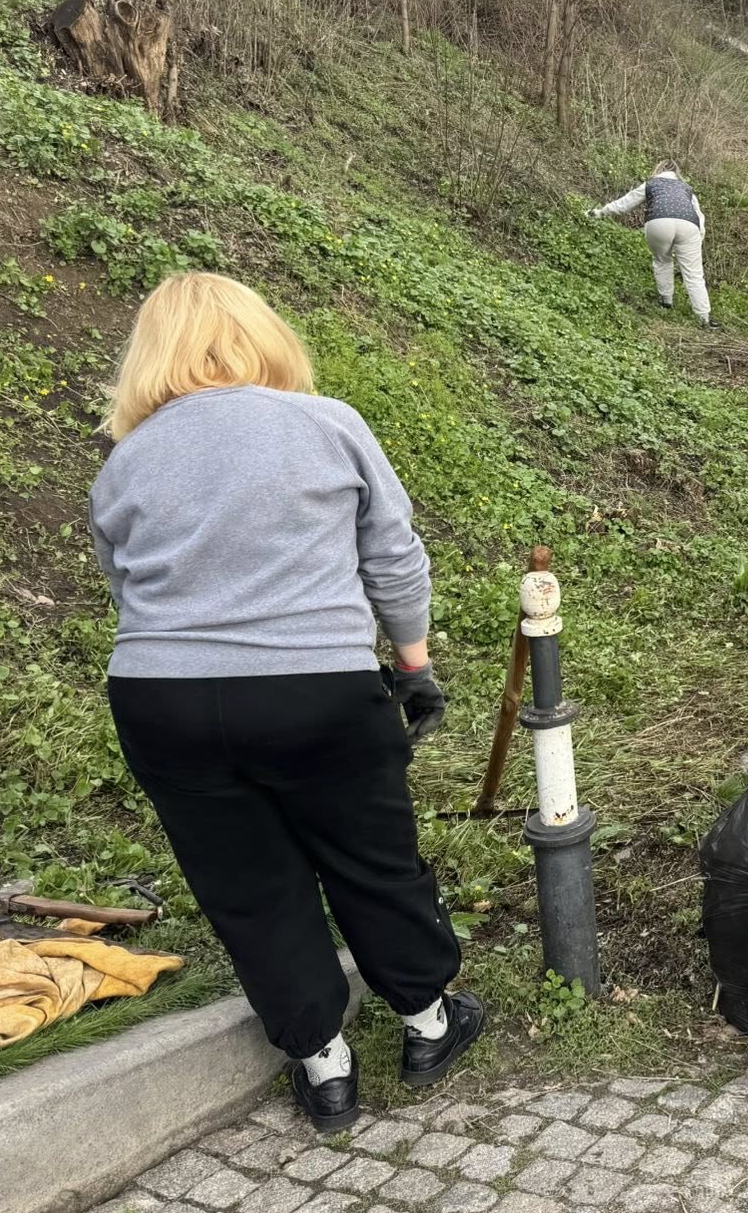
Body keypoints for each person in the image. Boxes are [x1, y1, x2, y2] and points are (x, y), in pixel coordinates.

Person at [87, 273, 482, 1133]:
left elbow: (125, 586)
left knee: (247, 885)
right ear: (262, 335)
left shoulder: (126, 460)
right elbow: (393, 558)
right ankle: (427, 1024)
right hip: (314, 689)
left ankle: (323, 1066)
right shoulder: (326, 423)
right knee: (370, 858)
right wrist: (412, 663)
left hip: (161, 699)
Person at [589, 159, 716, 327]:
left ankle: (666, 301)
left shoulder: (651, 184)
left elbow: (625, 204)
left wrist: (601, 212)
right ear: (677, 173)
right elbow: (700, 216)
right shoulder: (687, 189)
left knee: (662, 261)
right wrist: (699, 237)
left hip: (658, 222)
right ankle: (704, 318)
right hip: (689, 225)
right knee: (694, 273)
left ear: (658, 170)